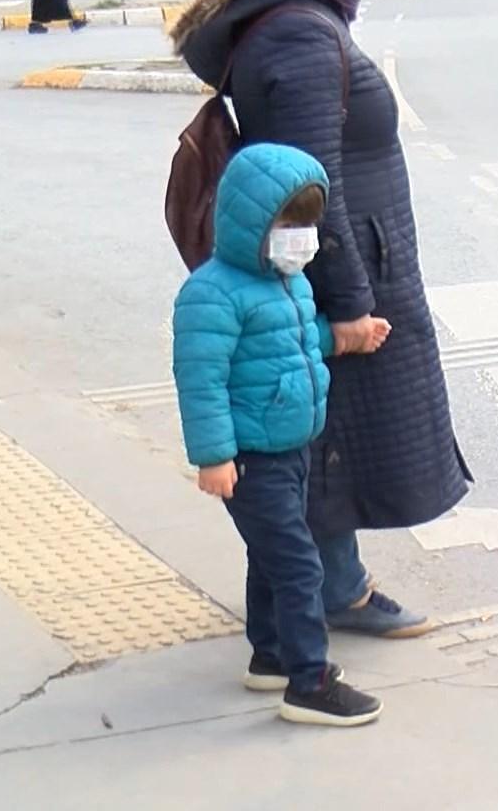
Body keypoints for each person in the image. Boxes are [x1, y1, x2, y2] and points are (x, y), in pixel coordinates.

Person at [172, 0, 471, 641]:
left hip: (346, 263)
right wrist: (349, 304)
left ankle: (314, 591)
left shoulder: (294, 21)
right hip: (338, 272)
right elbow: (313, 184)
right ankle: (330, 592)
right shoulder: (300, 35)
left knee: (319, 427)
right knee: (318, 432)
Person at [175, 143, 392, 726]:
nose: (302, 239)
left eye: (307, 226)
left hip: (293, 447)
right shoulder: (212, 293)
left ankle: (270, 654)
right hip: (250, 458)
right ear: (250, 224)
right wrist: (215, 457)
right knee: (299, 566)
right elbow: (200, 378)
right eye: (288, 226)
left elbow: (290, 344)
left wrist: (343, 337)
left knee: (271, 557)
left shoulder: (289, 282)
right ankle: (309, 682)